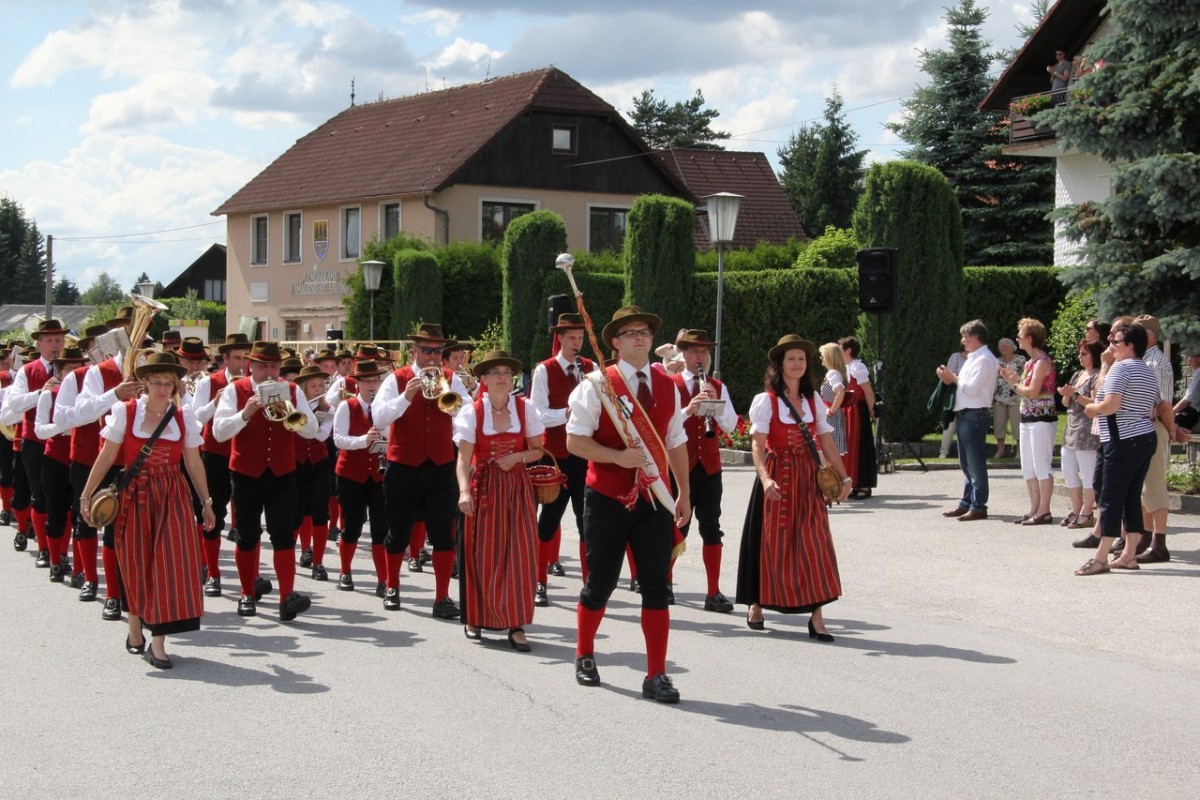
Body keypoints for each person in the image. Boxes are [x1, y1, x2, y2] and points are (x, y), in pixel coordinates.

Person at [566, 306, 691, 703]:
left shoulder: (669, 385)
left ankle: (656, 674)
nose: (640, 337)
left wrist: (684, 493)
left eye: (645, 332)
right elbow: (574, 441)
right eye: (631, 332)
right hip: (606, 497)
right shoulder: (597, 385)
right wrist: (617, 457)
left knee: (657, 586)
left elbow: (675, 441)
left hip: (654, 500)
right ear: (615, 343)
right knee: (600, 583)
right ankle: (585, 654)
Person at [79, 352, 215, 669]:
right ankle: (134, 623)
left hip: (171, 495)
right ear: (145, 383)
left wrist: (206, 502)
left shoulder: (183, 416)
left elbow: (193, 462)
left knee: (170, 565)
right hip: (135, 493)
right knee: (135, 562)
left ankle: (158, 643)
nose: (163, 389)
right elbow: (106, 456)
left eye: (169, 383)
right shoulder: (125, 412)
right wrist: (86, 494)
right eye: (157, 382)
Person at [736, 335, 851, 638]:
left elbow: (826, 442)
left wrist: (845, 477)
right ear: (780, 365)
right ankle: (756, 603)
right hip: (777, 475)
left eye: (801, 358)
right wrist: (765, 479)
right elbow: (757, 446)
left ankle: (817, 617)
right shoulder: (767, 401)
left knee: (816, 544)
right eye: (791, 359)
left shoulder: (814, 400)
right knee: (768, 542)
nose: (797, 364)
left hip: (808, 477)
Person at [213, 340, 320, 620]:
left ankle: (287, 597)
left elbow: (312, 431)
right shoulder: (236, 390)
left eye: (274, 366)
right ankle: (247, 593)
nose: (269, 372)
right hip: (246, 473)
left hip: (282, 472)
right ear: (251, 366)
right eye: (263, 366)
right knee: (247, 535)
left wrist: (291, 413)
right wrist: (245, 413)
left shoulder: (292, 390)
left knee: (283, 534)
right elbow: (219, 432)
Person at [372, 323, 470, 616]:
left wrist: (454, 410)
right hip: (403, 467)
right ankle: (392, 586)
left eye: (437, 351)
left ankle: (442, 598)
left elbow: (468, 415)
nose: (432, 357)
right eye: (427, 350)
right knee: (398, 531)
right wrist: (406, 396)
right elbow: (379, 417)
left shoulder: (451, 379)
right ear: (414, 351)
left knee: (443, 534)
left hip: (441, 466)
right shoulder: (397, 379)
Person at [454, 350, 544, 650]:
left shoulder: (525, 408)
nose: (502, 377)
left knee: (520, 553)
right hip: (484, 485)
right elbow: (463, 459)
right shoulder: (472, 412)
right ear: (484, 379)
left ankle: (516, 624)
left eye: (506, 372)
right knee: (481, 552)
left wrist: (517, 457)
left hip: (517, 486)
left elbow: (538, 450)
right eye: (495, 373)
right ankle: (474, 617)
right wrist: (464, 492)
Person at [1076, 322, 1160, 575]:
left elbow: (1110, 405)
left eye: (1115, 342)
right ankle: (1129, 555)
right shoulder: (1147, 370)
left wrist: (1092, 408)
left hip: (1122, 439)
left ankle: (1101, 557)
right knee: (1131, 496)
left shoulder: (1120, 368)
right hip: (1144, 437)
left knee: (1110, 497)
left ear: (1130, 345)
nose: (1110, 345)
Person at [528, 313, 597, 605]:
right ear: (559, 339)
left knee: (586, 522)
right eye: (571, 338)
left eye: (580, 338)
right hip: (556, 457)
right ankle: (539, 581)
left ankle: (589, 586)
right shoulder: (544, 370)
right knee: (549, 520)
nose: (576, 343)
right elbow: (537, 413)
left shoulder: (591, 368)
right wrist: (568, 413)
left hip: (584, 455)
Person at [670, 329, 739, 613]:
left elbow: (731, 425)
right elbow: (663, 425)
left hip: (709, 468)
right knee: (676, 526)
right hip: (679, 467)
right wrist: (689, 409)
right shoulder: (671, 384)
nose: (701, 356)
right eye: (695, 351)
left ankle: (713, 592)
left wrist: (714, 404)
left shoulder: (717, 386)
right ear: (684, 354)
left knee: (711, 527)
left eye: (704, 351)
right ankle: (664, 583)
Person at [0, 319, 67, 570]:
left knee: (63, 499)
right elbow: (14, 405)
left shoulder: (73, 369)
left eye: (59, 340)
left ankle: (60, 553)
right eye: (50, 341)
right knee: (39, 496)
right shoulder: (28, 371)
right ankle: (43, 549)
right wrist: (42, 393)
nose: (55, 345)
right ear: (39, 344)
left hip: (65, 440)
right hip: (35, 441)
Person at [190, 333, 252, 563]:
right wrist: (215, 403)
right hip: (215, 454)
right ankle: (208, 568)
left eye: (246, 358)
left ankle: (249, 572)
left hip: (245, 454)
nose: (243, 364)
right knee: (211, 511)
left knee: (247, 517)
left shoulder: (254, 384)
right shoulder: (208, 382)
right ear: (225, 358)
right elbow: (195, 419)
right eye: (237, 358)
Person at [332, 359, 389, 594]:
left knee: (381, 529)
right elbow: (338, 439)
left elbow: (395, 436)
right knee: (352, 526)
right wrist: (363, 441)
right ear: (358, 383)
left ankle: (383, 580)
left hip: (378, 475)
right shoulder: (347, 406)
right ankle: (345, 571)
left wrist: (385, 439)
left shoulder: (384, 408)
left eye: (375, 380)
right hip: (351, 475)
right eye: (366, 381)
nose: (372, 385)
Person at [33, 346, 89, 582]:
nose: (74, 374)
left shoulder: (89, 398)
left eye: (78, 370)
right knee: (56, 514)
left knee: (80, 518)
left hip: (82, 460)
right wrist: (62, 425)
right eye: (69, 370)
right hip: (55, 460)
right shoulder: (49, 395)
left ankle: (79, 570)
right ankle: (56, 561)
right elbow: (39, 430)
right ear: (60, 371)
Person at [938, 320, 1000, 521]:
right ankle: (967, 503)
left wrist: (954, 378)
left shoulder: (985, 359)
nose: (962, 340)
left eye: (965, 336)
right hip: (965, 415)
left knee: (975, 463)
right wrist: (950, 378)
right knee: (966, 464)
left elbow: (972, 389)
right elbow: (965, 386)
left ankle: (978, 505)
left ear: (975, 337)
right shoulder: (975, 358)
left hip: (974, 415)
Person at [1000, 318, 1057, 526]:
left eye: (1020, 335)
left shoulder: (1042, 362)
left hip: (1042, 418)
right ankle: (1034, 508)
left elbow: (1032, 391)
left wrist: (1015, 383)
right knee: (1028, 466)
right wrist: (1014, 381)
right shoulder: (1030, 362)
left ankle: (1044, 510)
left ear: (1030, 338)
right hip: (1028, 418)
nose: (1017, 339)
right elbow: (1026, 390)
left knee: (1041, 464)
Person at [1131, 315, 1176, 564]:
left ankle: (1159, 544)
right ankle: (1146, 537)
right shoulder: (1145, 360)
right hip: (1145, 426)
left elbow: (1164, 405)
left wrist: (1171, 429)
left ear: (1148, 336)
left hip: (1154, 425)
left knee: (1155, 485)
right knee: (1144, 486)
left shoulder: (1155, 363)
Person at [293, 364, 335, 580]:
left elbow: (320, 435)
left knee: (320, 512)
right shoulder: (293, 408)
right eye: (313, 386)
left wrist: (317, 413)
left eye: (321, 386)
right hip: (297, 462)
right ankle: (291, 556)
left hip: (320, 463)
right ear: (303, 388)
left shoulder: (328, 410)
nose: (318, 390)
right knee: (296, 511)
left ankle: (318, 562)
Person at [1057, 340, 1104, 530]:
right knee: (1068, 469)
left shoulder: (1098, 376)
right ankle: (1076, 509)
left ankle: (1087, 511)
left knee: (1088, 472)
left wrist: (1075, 395)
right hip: (1071, 427)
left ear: (1094, 355)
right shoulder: (1078, 374)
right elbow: (1065, 403)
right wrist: (1067, 394)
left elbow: (1094, 402)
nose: (1080, 357)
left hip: (1087, 429)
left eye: (1084, 353)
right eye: (1080, 353)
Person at [838, 336, 877, 499]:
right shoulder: (846, 368)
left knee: (861, 446)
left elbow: (867, 391)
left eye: (840, 348)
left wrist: (872, 411)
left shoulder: (857, 367)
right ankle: (855, 483)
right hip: (848, 411)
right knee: (850, 447)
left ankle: (864, 485)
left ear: (848, 350)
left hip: (857, 410)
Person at [992, 338, 1025, 458]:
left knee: (1017, 424)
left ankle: (1019, 451)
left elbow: (1026, 376)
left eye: (1006, 345)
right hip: (999, 397)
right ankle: (1000, 450)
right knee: (999, 424)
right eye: (1001, 346)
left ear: (1013, 347)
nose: (1003, 348)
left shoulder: (1021, 360)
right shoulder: (996, 361)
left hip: (1016, 396)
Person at [938, 346, 968, 458]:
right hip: (955, 395)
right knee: (950, 424)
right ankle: (944, 451)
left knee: (967, 425)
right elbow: (948, 377)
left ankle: (966, 453)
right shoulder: (955, 357)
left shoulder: (977, 358)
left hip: (970, 397)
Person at [818, 343, 848, 457]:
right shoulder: (836, 373)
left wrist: (831, 410)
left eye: (823, 355)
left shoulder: (832, 373)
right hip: (833, 416)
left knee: (828, 452)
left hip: (831, 418)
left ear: (829, 357)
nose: (821, 358)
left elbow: (840, 392)